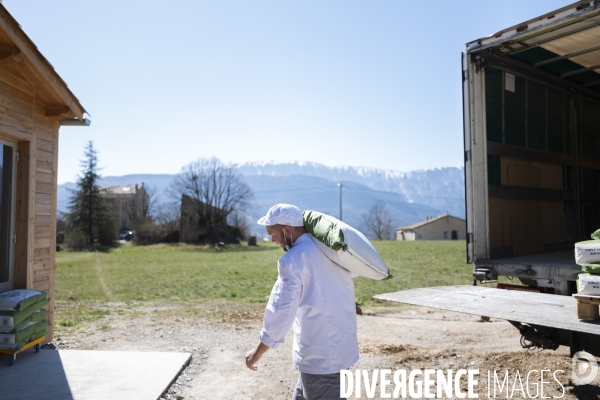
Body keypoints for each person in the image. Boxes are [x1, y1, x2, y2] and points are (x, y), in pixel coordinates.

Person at [245, 204, 359, 400]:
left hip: (320, 357)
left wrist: (258, 350)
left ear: (287, 230)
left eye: (273, 234)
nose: (273, 240)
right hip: (342, 349)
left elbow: (280, 312)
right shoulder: (333, 251)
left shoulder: (292, 261)